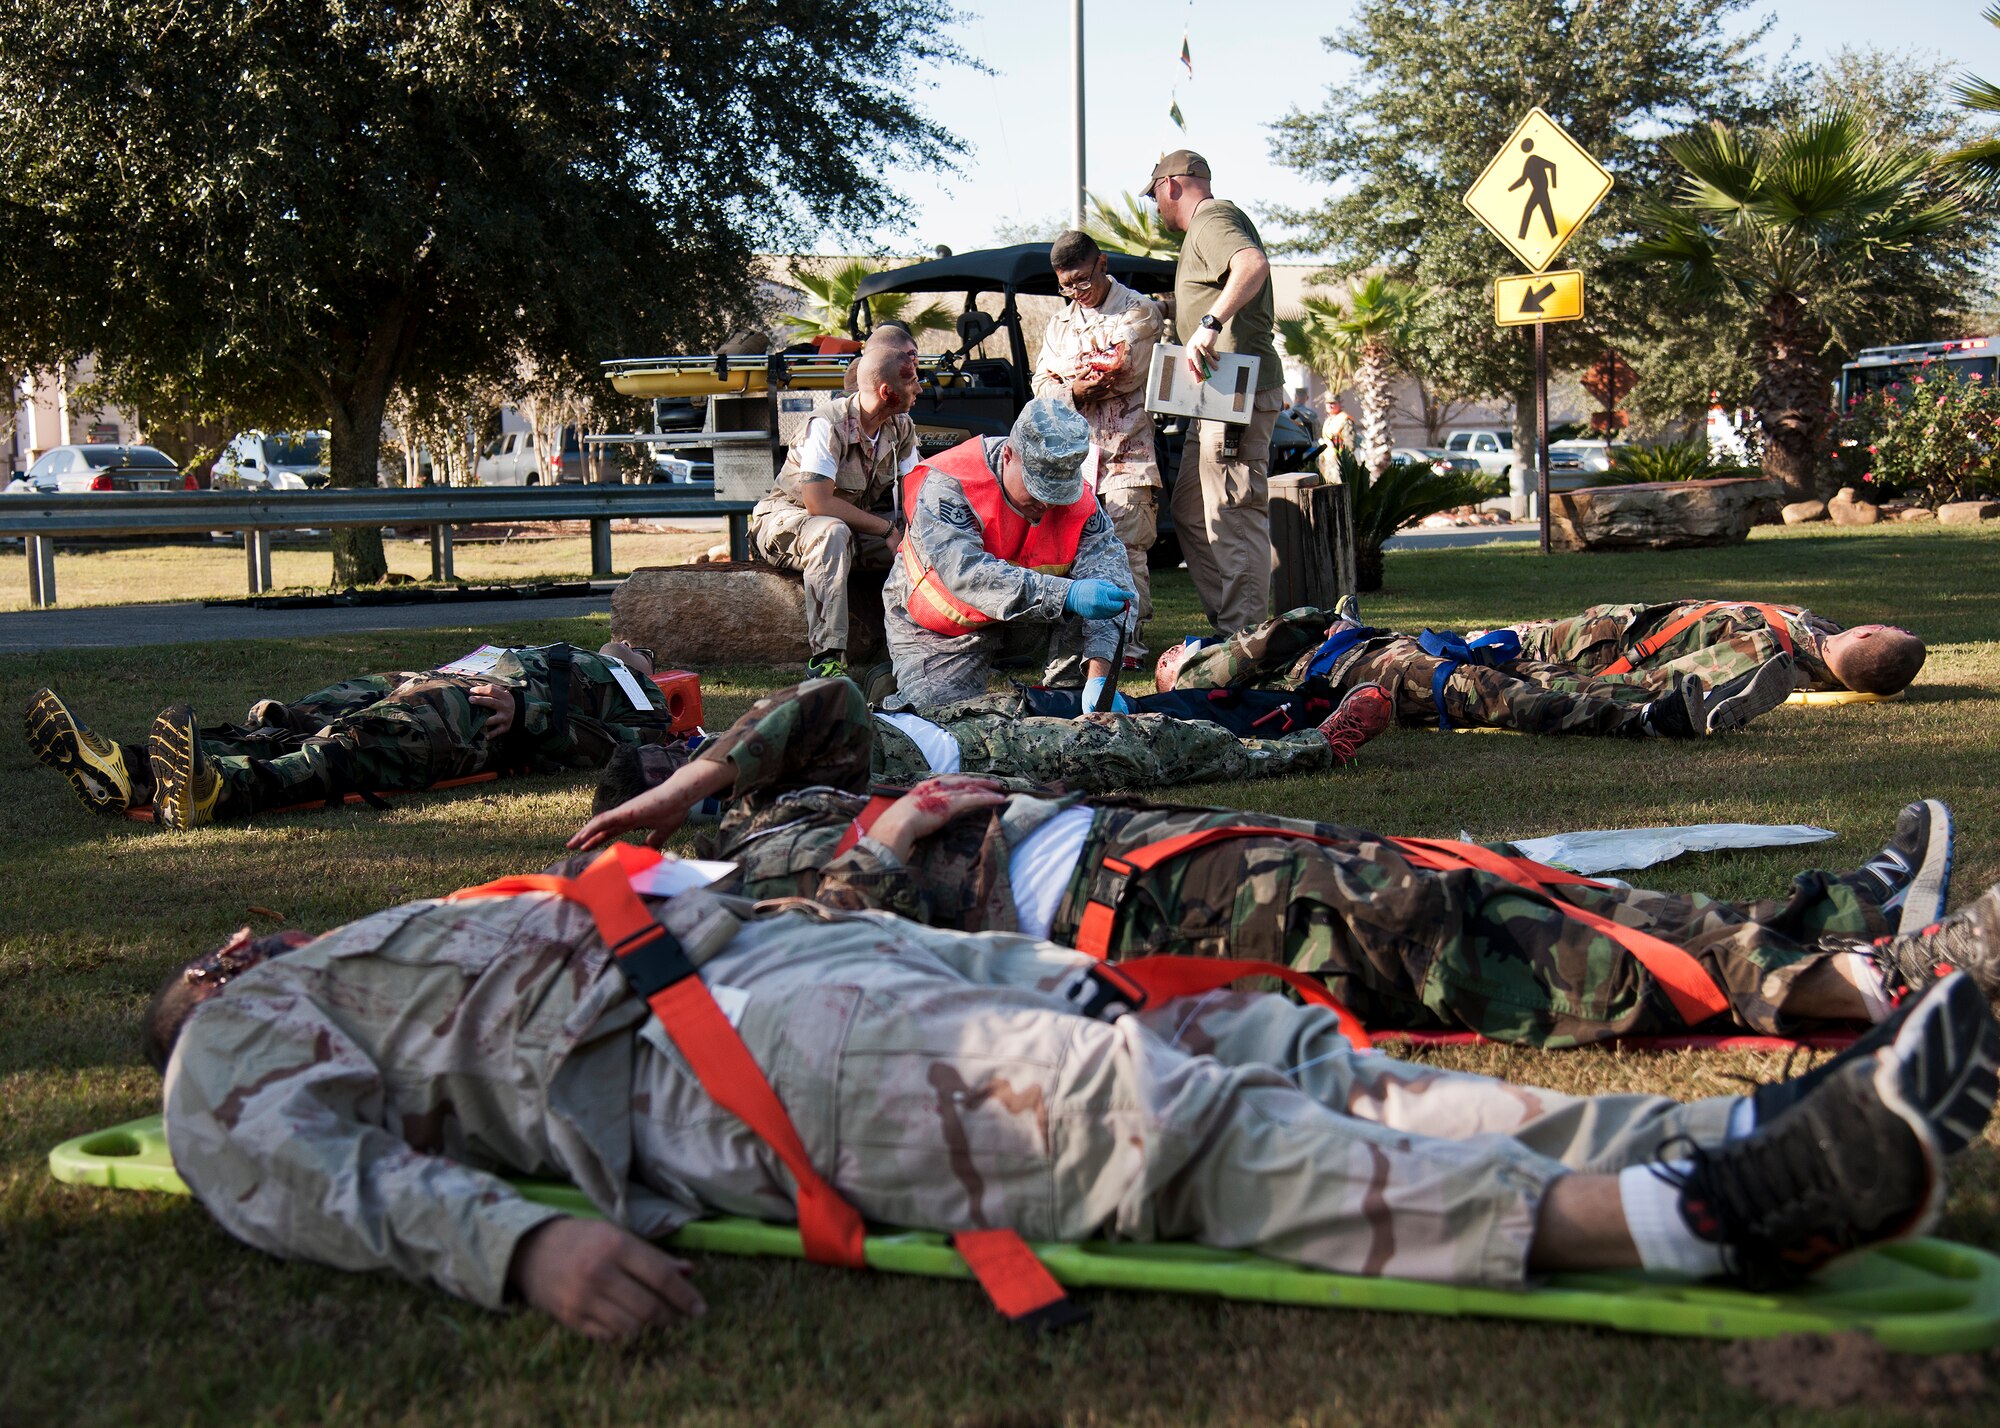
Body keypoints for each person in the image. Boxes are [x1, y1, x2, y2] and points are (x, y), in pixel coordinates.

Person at [150, 838, 2000, 1341]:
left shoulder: (369, 934)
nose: (229, 947)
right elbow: (321, 1185)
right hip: (712, 1069)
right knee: (1143, 1126)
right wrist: (522, 1255)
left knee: (1270, 1048)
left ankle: (1727, 1130)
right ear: (191, 1010)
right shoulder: (240, 1039)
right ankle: (1685, 1222)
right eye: (200, 966)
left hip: (791, 965)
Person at [575, 678, 1990, 1048]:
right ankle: (1862, 981)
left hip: (1146, 851)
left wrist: (701, 781)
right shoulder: (711, 896)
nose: (691, 790)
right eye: (671, 777)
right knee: (1452, 933)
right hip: (1114, 913)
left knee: (1461, 881)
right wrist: (881, 845)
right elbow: (820, 978)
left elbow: (821, 705)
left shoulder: (759, 806)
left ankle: (1815, 923)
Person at [24, 641, 679, 829]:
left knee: (356, 742)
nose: (624, 645)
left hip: (478, 719)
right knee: (296, 720)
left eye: (634, 647)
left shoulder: (639, 694)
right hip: (434, 680)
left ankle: (222, 791)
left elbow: (611, 748)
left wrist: (529, 714)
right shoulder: (562, 651)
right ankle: (127, 770)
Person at [594, 675, 1392, 817]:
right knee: (1144, 743)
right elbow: (827, 698)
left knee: (1116, 712)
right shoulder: (762, 800)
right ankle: (1316, 749)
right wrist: (690, 790)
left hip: (948, 720)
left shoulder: (743, 748)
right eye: (676, 762)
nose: (690, 748)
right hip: (975, 765)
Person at [1156, 608, 1800, 739]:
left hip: (1395, 653)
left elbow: (1289, 627)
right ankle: (1650, 720)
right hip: (1367, 672)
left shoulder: (1225, 660)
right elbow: (1277, 634)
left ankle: (1683, 698)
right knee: (1495, 697)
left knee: (1541, 676)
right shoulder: (1209, 681)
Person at [882, 398, 1135, 710]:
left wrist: (1100, 675)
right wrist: (1067, 594)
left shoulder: (1077, 499)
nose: (1047, 505)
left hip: (1025, 621)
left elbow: (1114, 583)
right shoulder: (948, 485)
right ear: (1008, 455)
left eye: (1057, 494)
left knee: (1097, 598)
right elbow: (968, 575)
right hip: (943, 629)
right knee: (945, 723)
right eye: (1037, 488)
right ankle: (905, 674)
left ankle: (1069, 693)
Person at [1145, 149, 1285, 637]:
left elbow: (1252, 263)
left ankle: (1247, 642)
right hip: (1211, 401)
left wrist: (1209, 323)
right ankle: (1230, 628)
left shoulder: (1213, 218)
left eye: (1155, 196)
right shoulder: (1207, 229)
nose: (1157, 208)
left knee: (1233, 513)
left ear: (1172, 186)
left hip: (1234, 398)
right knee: (1188, 509)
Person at [748, 342, 922, 679]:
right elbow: (818, 503)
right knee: (832, 532)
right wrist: (887, 530)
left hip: (848, 526)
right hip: (789, 520)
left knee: (922, 542)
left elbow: (916, 485)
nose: (918, 388)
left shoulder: (900, 427)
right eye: (912, 381)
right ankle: (827, 659)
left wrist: (914, 533)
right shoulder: (827, 425)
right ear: (887, 392)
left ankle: (916, 648)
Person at [1031, 230, 1165, 659]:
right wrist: (1077, 386)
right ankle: (1079, 639)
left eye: (1082, 281)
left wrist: (1066, 377)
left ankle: (1129, 638)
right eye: (1066, 285)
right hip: (1075, 459)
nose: (1075, 292)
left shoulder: (1138, 310)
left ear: (1102, 264)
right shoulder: (1058, 323)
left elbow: (1120, 369)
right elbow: (1040, 386)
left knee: (1128, 548)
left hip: (1128, 453)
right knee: (1073, 549)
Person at [1497, 600, 1927, 698]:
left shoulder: (1764, 654)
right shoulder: (1821, 632)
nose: (1880, 622)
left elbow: (1649, 685)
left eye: (1891, 627)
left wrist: (1529, 671)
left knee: (1449, 650)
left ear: (1867, 635)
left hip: (1573, 648)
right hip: (1601, 625)